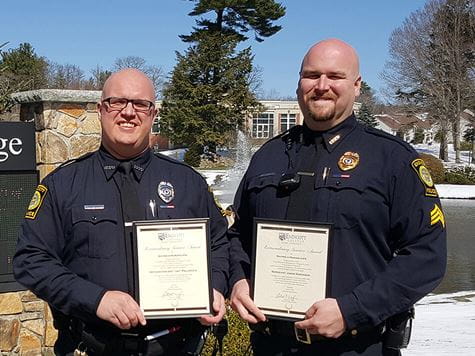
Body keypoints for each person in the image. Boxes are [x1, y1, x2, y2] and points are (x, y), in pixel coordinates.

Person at [228, 39, 446, 356]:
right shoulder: (268, 156)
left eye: (335, 76)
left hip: (356, 346)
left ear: (356, 86)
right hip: (271, 344)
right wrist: (238, 279)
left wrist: (351, 310)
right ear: (299, 81)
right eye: (311, 75)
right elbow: (238, 235)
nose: (321, 86)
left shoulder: (391, 159)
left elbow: (427, 256)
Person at [13, 68, 229, 356]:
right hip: (90, 345)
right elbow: (31, 260)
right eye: (118, 102)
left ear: (153, 114)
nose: (129, 112)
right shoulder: (63, 184)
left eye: (141, 104)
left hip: (175, 346)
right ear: (102, 110)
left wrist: (212, 287)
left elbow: (219, 243)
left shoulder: (188, 182)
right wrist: (96, 299)